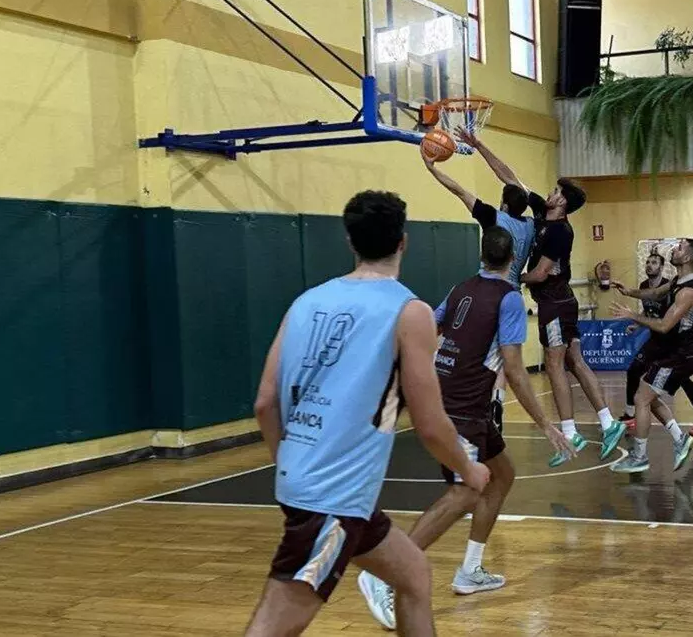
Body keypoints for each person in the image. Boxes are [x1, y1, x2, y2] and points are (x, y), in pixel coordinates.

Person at [245, 190, 489, 637]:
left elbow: (265, 402)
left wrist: (292, 466)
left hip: (315, 486)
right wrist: (468, 471)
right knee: (275, 626)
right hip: (333, 496)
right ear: (403, 241)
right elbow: (430, 424)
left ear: (350, 241)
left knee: (413, 576)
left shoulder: (306, 302)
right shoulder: (409, 312)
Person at [356, 227, 575, 630]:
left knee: (502, 476)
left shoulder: (461, 288)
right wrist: (547, 424)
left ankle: (470, 571)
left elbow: (431, 328)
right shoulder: (509, 298)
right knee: (464, 493)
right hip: (462, 408)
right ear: (514, 260)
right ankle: (385, 574)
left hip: (463, 402)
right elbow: (515, 369)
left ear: (482, 255)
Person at [420, 142, 536, 432]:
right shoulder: (532, 225)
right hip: (511, 293)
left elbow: (459, 190)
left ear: (504, 204)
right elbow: (514, 180)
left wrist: (432, 169)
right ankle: (496, 402)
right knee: (503, 356)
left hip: (484, 288)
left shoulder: (494, 217)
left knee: (456, 336)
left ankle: (431, 384)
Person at [521, 176, 625, 466]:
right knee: (576, 362)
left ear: (563, 201)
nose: (550, 192)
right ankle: (608, 423)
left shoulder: (559, 232)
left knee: (554, 365)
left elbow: (540, 274)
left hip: (554, 304)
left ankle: (570, 433)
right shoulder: (542, 213)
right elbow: (512, 178)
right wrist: (481, 152)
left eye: (555, 191)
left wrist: (514, 277)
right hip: (563, 301)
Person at [609, 239, 693, 473]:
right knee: (648, 396)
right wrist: (629, 291)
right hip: (675, 352)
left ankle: (640, 457)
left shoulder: (688, 291)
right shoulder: (676, 281)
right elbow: (653, 293)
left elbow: (663, 325)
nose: (674, 249)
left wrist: (633, 316)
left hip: (682, 356)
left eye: (680, 248)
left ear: (687, 258)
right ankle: (680, 439)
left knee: (642, 399)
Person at [617, 251, 693, 437]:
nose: (649, 265)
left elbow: (665, 322)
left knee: (675, 381)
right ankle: (630, 414)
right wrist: (636, 320)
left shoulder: (679, 288)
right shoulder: (648, 286)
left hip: (671, 340)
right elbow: (650, 306)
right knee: (636, 373)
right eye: (648, 262)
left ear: (662, 267)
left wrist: (633, 316)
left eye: (654, 262)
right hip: (656, 338)